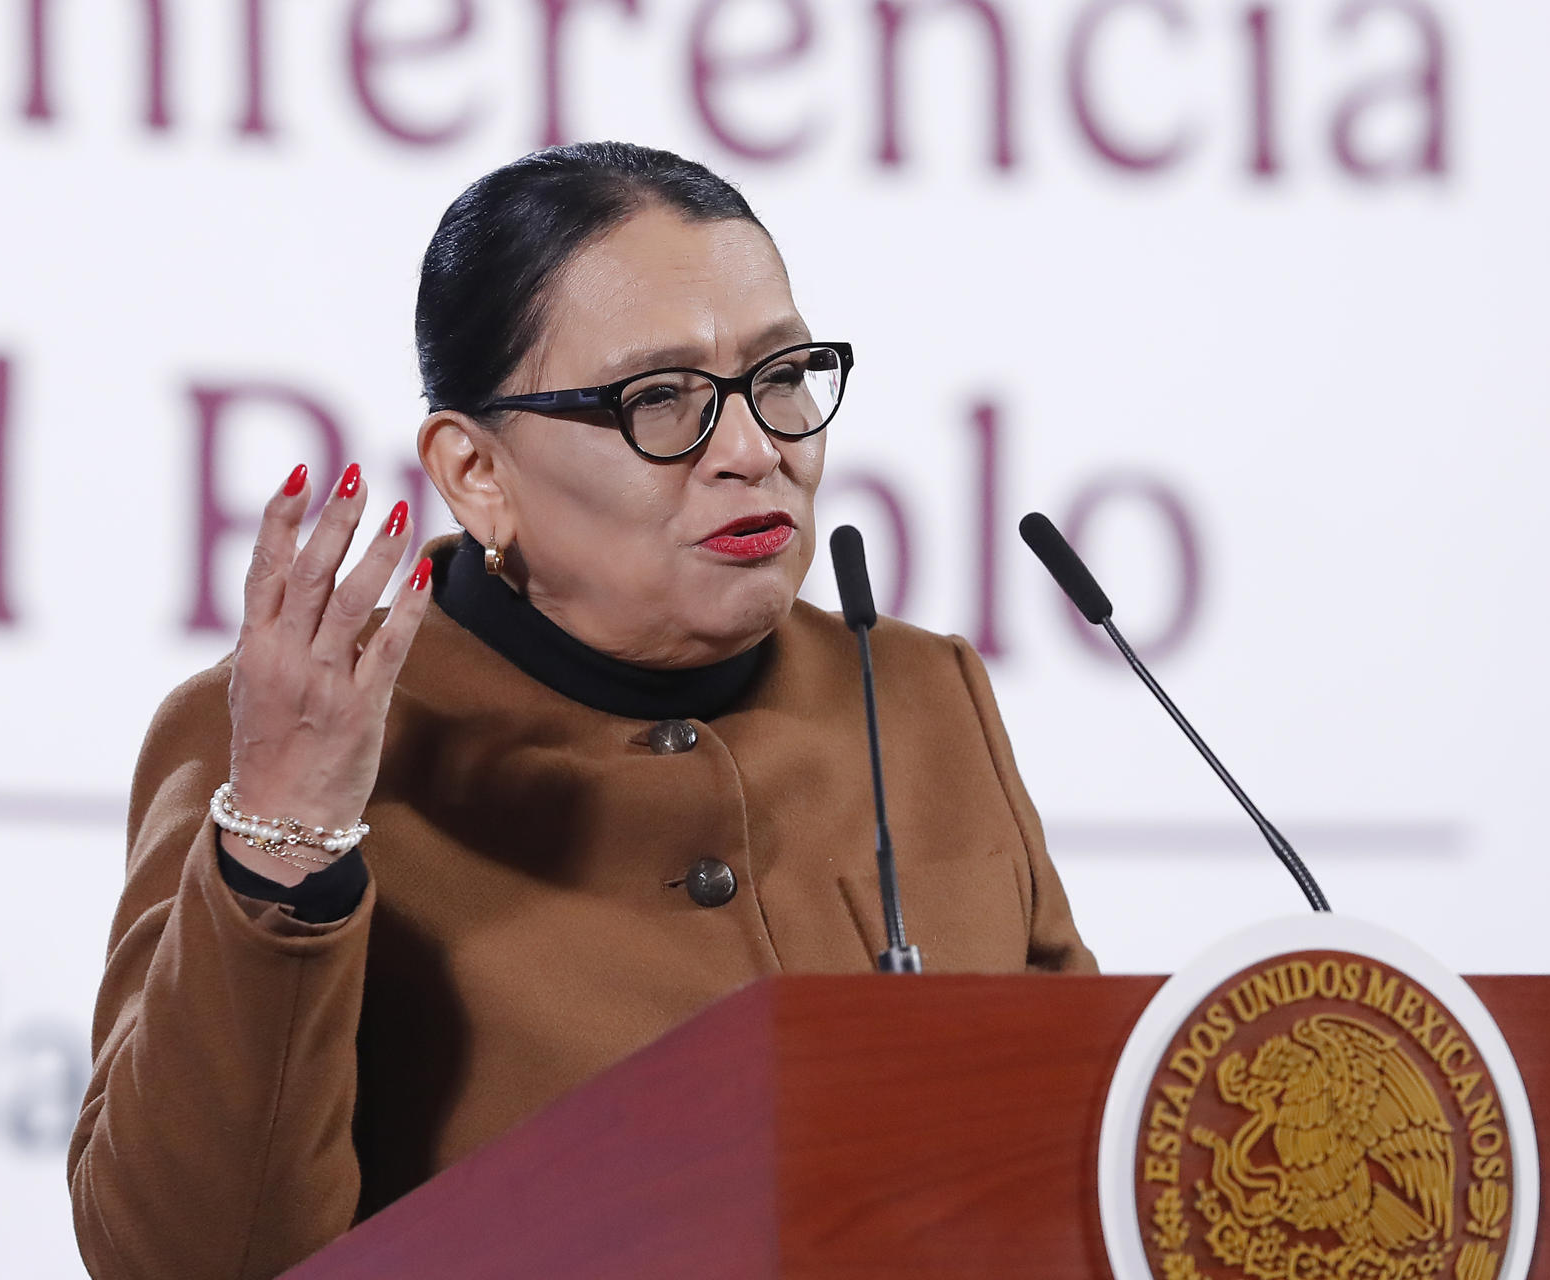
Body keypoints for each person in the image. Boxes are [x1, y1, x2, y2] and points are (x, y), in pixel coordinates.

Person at [67, 141, 1095, 1280]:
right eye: (662, 398)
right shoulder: (286, 738)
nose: (755, 450)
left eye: (784, 374)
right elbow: (184, 1260)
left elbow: (1082, 1156)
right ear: (475, 471)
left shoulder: (915, 694)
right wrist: (283, 837)